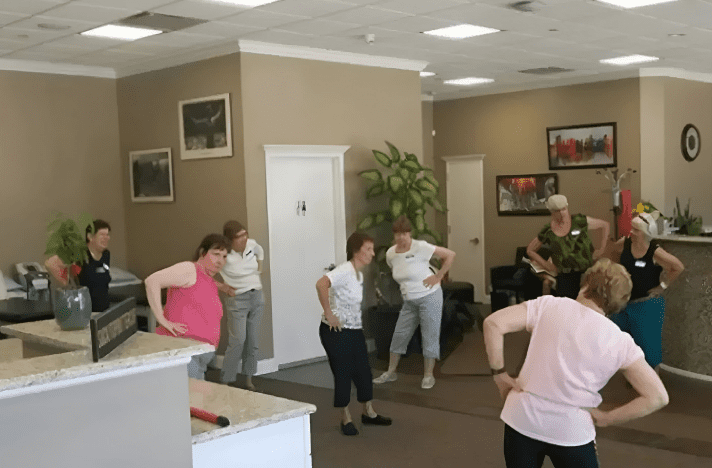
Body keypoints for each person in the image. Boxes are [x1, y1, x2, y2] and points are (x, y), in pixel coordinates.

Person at [483, 259, 669, 468]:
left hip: (521, 420)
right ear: (617, 303)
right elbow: (657, 397)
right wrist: (607, 418)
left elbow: (493, 323)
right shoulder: (620, 342)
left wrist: (500, 375)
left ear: (586, 285)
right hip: (571, 431)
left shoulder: (549, 305)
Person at [315, 232, 392, 436]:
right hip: (335, 331)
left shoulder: (359, 273)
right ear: (356, 251)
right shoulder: (344, 270)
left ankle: (369, 413)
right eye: (368, 249)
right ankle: (346, 418)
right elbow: (321, 284)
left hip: (354, 330)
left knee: (364, 372)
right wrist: (329, 314)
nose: (372, 253)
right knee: (343, 373)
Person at [372, 215, 456, 390]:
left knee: (429, 335)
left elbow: (450, 255)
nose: (401, 237)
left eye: (404, 233)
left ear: (410, 234)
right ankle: (391, 372)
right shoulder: (391, 254)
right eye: (397, 234)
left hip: (430, 296)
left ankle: (428, 375)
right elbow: (398, 273)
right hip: (409, 301)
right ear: (394, 236)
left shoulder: (420, 247)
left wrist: (439, 276)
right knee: (399, 335)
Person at [146, 234, 231, 380]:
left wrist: (225, 287)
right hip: (185, 351)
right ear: (202, 252)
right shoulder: (189, 269)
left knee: (198, 400)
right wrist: (162, 319)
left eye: (224, 256)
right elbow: (152, 281)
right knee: (189, 399)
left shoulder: (208, 279)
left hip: (200, 356)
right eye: (216, 254)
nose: (220, 261)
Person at [610, 215, 684, 371]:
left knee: (649, 352)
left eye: (636, 230)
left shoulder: (654, 251)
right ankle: (634, 378)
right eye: (632, 228)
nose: (631, 232)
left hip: (646, 305)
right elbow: (613, 252)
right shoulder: (625, 243)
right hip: (624, 304)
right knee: (624, 346)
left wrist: (662, 286)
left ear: (645, 232)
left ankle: (653, 384)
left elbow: (678, 267)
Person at [527, 194, 609, 299]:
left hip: (586, 274)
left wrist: (602, 249)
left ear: (567, 207)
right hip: (565, 277)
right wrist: (546, 265)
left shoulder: (579, 221)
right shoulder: (548, 230)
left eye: (563, 209)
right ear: (552, 212)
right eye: (557, 211)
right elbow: (530, 250)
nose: (561, 213)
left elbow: (604, 225)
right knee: (567, 308)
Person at [217, 220, 265, 391]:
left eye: (245, 234)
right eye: (240, 236)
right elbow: (205, 274)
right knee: (238, 340)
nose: (244, 239)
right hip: (237, 300)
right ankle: (226, 380)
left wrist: (259, 266)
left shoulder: (251, 244)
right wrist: (222, 286)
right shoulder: (224, 255)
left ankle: (249, 379)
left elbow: (260, 250)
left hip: (257, 297)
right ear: (230, 240)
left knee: (253, 341)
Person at [45, 219, 112, 312]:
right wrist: (66, 283)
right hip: (85, 312)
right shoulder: (80, 253)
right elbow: (51, 263)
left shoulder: (106, 255)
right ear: (90, 237)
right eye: (102, 235)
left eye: (107, 235)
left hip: (104, 310)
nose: (106, 238)